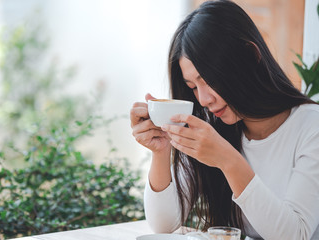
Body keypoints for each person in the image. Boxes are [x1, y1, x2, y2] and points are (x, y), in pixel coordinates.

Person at [130, 0, 319, 239]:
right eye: (193, 87)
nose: (204, 99)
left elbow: (296, 234)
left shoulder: (311, 126)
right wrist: (161, 151)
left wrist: (228, 160)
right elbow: (163, 225)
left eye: (209, 80)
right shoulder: (211, 127)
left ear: (251, 56)